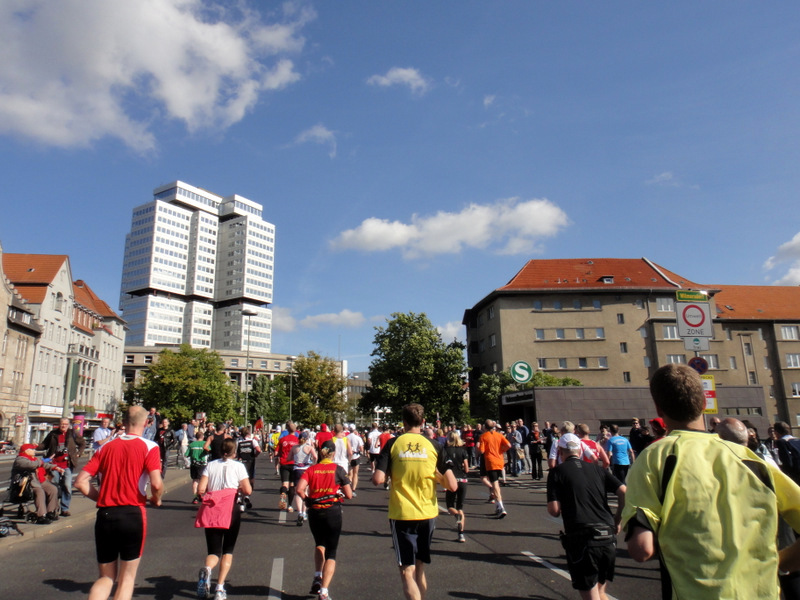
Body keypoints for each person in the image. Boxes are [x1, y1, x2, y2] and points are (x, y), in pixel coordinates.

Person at [623, 364, 800, 599]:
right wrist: (779, 562)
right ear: (704, 404)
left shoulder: (656, 457)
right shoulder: (748, 458)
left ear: (658, 408)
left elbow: (641, 548)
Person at [74, 406, 163, 600]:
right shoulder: (150, 447)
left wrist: (103, 497)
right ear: (146, 423)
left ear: (123, 422)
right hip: (132, 513)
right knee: (127, 578)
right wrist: (156, 499)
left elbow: (80, 482)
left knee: (106, 577)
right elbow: (156, 483)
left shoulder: (105, 447)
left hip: (106, 514)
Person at [372, 403, 457, 600]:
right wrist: (437, 476)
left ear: (403, 422)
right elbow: (452, 486)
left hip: (402, 513)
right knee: (419, 569)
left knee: (406, 572)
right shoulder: (435, 445)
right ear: (423, 421)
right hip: (427, 513)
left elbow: (378, 479)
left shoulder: (394, 444)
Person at [547, 433, 626, 600]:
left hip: (582, 537)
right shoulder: (597, 470)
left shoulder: (557, 473)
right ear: (580, 449)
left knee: (590, 595)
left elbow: (554, 510)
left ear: (560, 450)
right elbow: (623, 492)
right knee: (601, 592)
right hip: (607, 535)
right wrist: (617, 520)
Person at [195, 438, 252, 600]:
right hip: (231, 509)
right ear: (235, 451)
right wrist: (238, 487)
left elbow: (201, 489)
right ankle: (219, 588)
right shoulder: (239, 466)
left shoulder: (211, 465)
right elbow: (247, 490)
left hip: (212, 509)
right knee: (228, 550)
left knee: (213, 551)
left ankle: (207, 568)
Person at [296, 439, 353, 600]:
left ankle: (317, 576)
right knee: (332, 552)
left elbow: (299, 489)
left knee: (319, 543)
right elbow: (348, 494)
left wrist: (307, 500)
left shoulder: (312, 469)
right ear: (333, 454)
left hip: (315, 511)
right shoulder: (338, 470)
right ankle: (324, 591)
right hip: (332, 511)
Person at [38, 417, 86, 517]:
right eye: (62, 424)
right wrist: (33, 446)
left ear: (68, 425)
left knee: (67, 486)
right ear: (59, 424)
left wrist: (78, 453)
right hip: (54, 464)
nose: (63, 426)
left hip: (67, 464)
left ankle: (65, 508)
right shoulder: (53, 434)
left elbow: (82, 443)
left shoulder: (72, 433)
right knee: (54, 487)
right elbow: (44, 445)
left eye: (65, 424)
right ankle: (53, 508)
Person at [12, 443, 62, 523]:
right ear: (26, 451)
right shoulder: (20, 460)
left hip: (37, 481)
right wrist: (41, 461)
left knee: (53, 489)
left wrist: (55, 467)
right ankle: (41, 515)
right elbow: (32, 465)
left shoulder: (34, 458)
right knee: (40, 492)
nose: (34, 451)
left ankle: (51, 512)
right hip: (25, 484)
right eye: (32, 449)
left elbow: (44, 464)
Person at [477, 419, 512, 518]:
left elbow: (482, 451)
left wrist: (478, 451)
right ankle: (498, 505)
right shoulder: (499, 435)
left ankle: (501, 507)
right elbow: (509, 445)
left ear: (485, 427)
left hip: (491, 462)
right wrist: (502, 450)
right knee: (496, 484)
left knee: (495, 485)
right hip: (499, 461)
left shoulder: (483, 436)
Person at [443, 430, 470, 542]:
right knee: (460, 507)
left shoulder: (445, 451)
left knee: (450, 505)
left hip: (451, 480)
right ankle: (461, 534)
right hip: (462, 479)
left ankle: (456, 515)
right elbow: (467, 468)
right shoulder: (463, 451)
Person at [291, 431, 318, 525]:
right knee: (305, 491)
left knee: (297, 492)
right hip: (306, 469)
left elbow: (289, 458)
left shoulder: (294, 447)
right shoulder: (309, 447)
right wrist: (313, 465)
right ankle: (304, 512)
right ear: (307, 439)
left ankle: (299, 513)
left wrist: (296, 459)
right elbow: (315, 457)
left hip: (297, 469)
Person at [276, 421, 300, 510]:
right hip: (294, 464)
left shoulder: (282, 439)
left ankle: (283, 493)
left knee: (285, 484)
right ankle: (290, 505)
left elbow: (276, 452)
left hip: (284, 463)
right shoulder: (297, 440)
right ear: (296, 430)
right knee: (292, 485)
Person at [236, 426, 261, 509]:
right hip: (250, 462)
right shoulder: (253, 441)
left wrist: (238, 456)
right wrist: (254, 455)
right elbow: (258, 450)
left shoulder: (238, 442)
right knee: (251, 481)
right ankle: (247, 495)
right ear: (249, 433)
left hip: (241, 463)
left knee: (241, 481)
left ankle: (241, 499)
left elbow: (235, 453)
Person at [187, 430, 209, 504]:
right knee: (203, 480)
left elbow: (186, 454)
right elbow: (209, 451)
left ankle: (195, 497)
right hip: (203, 464)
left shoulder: (192, 444)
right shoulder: (205, 443)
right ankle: (202, 495)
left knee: (195, 481)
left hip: (194, 464)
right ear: (202, 437)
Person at [346, 424, 364, 495]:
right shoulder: (358, 438)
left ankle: (349, 484)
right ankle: (353, 489)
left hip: (348, 457)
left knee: (349, 473)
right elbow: (361, 448)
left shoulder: (346, 437)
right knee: (355, 473)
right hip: (356, 456)